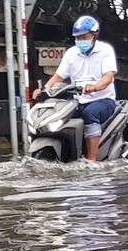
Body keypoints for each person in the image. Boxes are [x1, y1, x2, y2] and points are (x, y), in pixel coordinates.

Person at [33, 15, 118, 161]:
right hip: (77, 101)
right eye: (77, 37)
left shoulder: (106, 51)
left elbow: (108, 76)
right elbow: (58, 76)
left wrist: (95, 86)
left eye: (84, 36)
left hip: (103, 100)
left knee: (90, 113)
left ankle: (91, 160)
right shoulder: (71, 53)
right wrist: (43, 90)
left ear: (94, 35)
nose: (80, 40)